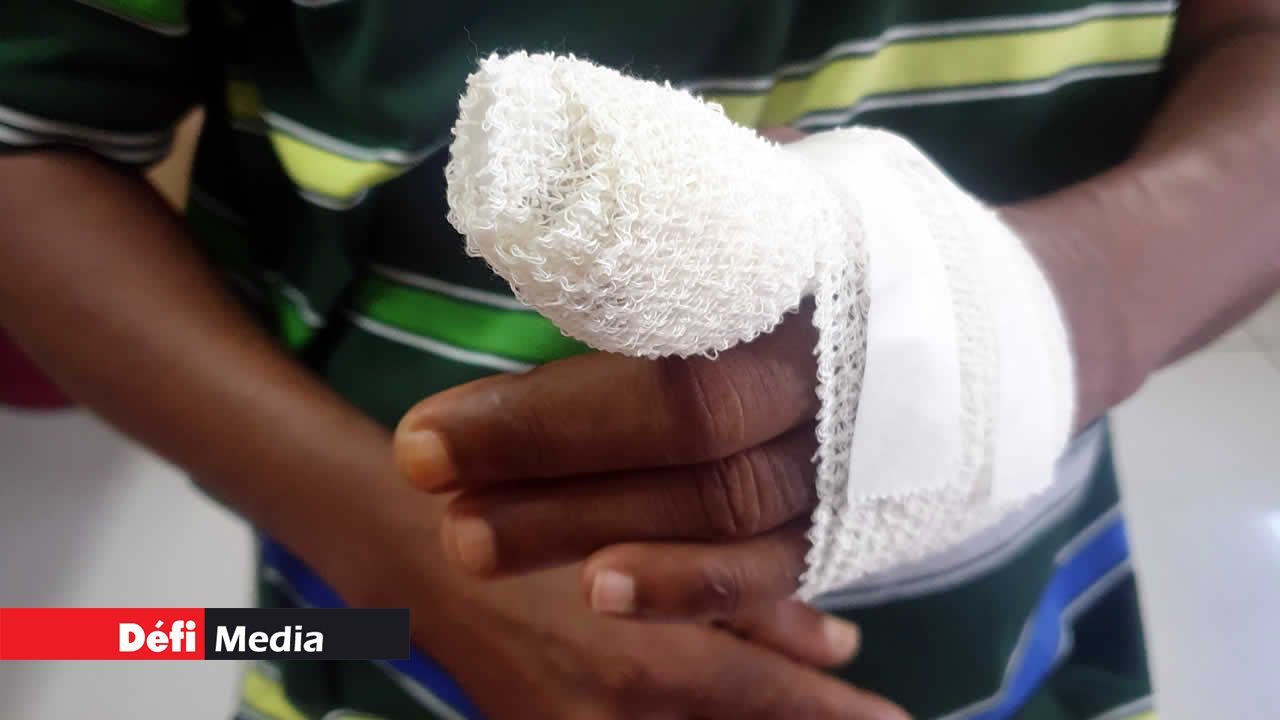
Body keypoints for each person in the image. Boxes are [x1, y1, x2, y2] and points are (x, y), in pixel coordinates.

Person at [1, 1, 1276, 718]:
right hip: (397, 640)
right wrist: (401, 555)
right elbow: (28, 138)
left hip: (1014, 635)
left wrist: (1059, 309)